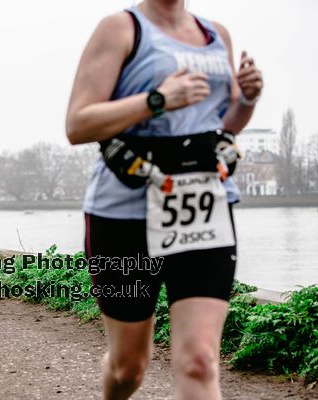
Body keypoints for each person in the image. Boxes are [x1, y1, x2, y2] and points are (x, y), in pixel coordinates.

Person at [65, 1, 263, 399]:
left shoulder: (216, 35)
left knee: (200, 361)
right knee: (128, 368)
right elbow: (78, 124)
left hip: (204, 211)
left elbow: (221, 123)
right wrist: (157, 100)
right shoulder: (120, 29)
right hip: (123, 216)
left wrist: (246, 99)